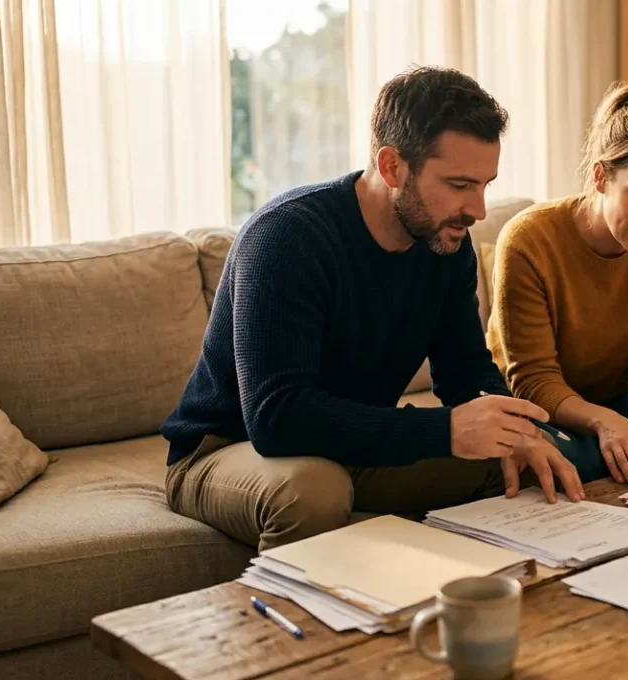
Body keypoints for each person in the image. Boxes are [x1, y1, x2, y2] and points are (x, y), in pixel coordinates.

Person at [159, 66, 583, 553]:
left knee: (524, 457)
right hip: (230, 448)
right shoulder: (287, 237)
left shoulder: (446, 246)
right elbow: (277, 418)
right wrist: (446, 429)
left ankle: (468, 605)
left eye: (486, 185)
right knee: (314, 489)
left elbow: (465, 373)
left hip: (350, 442)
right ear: (391, 166)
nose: (479, 210)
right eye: (460, 184)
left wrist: (517, 430)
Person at [485, 79, 628, 488]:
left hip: (616, 399)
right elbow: (533, 379)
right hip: (540, 409)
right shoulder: (529, 240)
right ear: (601, 178)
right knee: (554, 453)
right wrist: (607, 424)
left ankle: (614, 467)